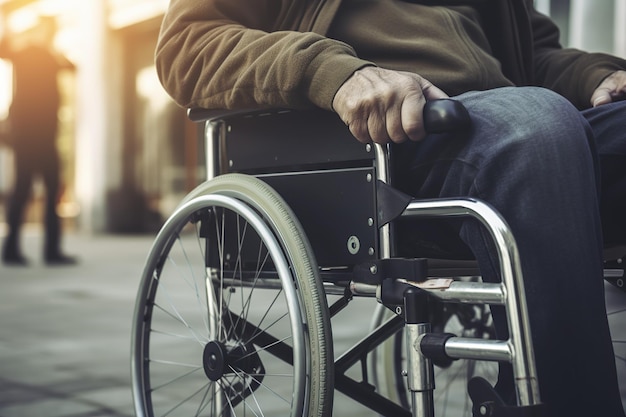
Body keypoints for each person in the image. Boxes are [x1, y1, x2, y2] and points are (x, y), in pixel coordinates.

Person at [154, 0, 626, 416]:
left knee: (543, 122)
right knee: (538, 126)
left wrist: (595, 74)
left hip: (512, 117)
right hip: (379, 143)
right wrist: (337, 74)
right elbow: (188, 45)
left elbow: (530, 56)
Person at [0, 14, 76, 266]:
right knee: (22, 190)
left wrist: (53, 49)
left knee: (53, 189)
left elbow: (73, 67)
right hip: (27, 137)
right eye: (48, 29)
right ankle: (11, 250)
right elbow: (3, 49)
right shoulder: (26, 52)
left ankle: (51, 251)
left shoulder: (51, 56)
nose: (51, 33)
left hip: (47, 136)